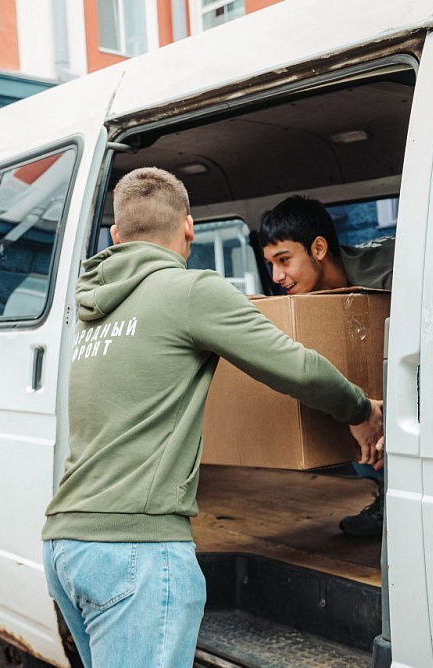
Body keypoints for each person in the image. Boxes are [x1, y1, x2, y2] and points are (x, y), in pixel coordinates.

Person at [42, 169, 383, 668]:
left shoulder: (91, 305)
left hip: (66, 544)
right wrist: (361, 409)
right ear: (189, 228)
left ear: (116, 237)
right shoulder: (190, 292)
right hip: (135, 552)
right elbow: (297, 367)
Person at [259, 195, 393, 537]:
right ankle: (386, 496)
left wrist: (392, 422)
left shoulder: (388, 277)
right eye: (270, 264)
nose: (276, 276)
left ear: (318, 248)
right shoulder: (303, 309)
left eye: (284, 260)